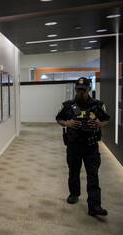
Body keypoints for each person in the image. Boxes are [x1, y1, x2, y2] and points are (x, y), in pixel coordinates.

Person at [56, 77, 110, 216]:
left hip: (91, 146)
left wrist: (98, 124)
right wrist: (68, 123)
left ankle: (94, 206)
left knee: (93, 175)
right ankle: (74, 194)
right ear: (75, 89)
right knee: (73, 171)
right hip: (74, 145)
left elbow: (106, 119)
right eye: (79, 90)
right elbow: (58, 119)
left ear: (89, 89)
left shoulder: (98, 105)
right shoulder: (67, 105)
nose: (81, 92)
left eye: (84, 90)